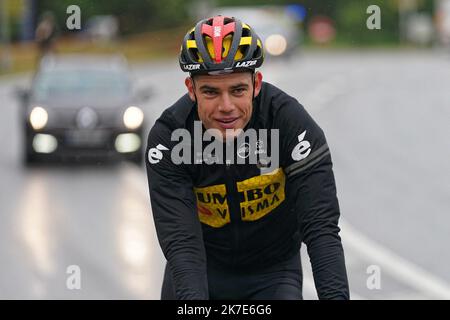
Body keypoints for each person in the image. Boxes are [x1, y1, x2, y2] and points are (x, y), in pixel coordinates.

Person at [145, 15, 349, 300]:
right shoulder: (169, 136)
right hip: (201, 268)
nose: (226, 107)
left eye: (238, 90)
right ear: (191, 90)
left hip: (272, 274)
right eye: (211, 92)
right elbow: (182, 244)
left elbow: (321, 230)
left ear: (256, 84)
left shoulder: (289, 122)